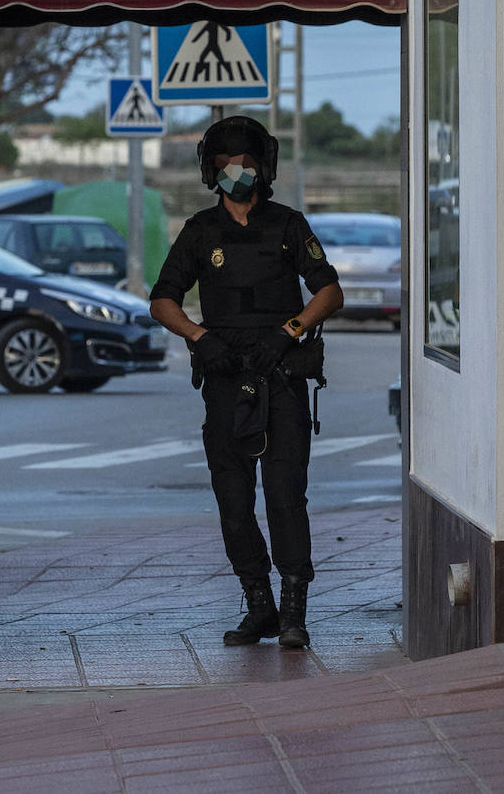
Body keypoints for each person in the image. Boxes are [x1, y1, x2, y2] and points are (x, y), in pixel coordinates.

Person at [149, 115, 343, 649]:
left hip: (279, 376)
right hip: (225, 378)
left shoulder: (288, 224)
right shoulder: (200, 230)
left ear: (264, 167)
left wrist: (290, 332)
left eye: (248, 163)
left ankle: (293, 613)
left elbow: (329, 292)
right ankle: (259, 605)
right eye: (227, 164)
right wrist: (199, 336)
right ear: (212, 171)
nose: (238, 171)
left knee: (285, 496)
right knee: (233, 501)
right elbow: (161, 300)